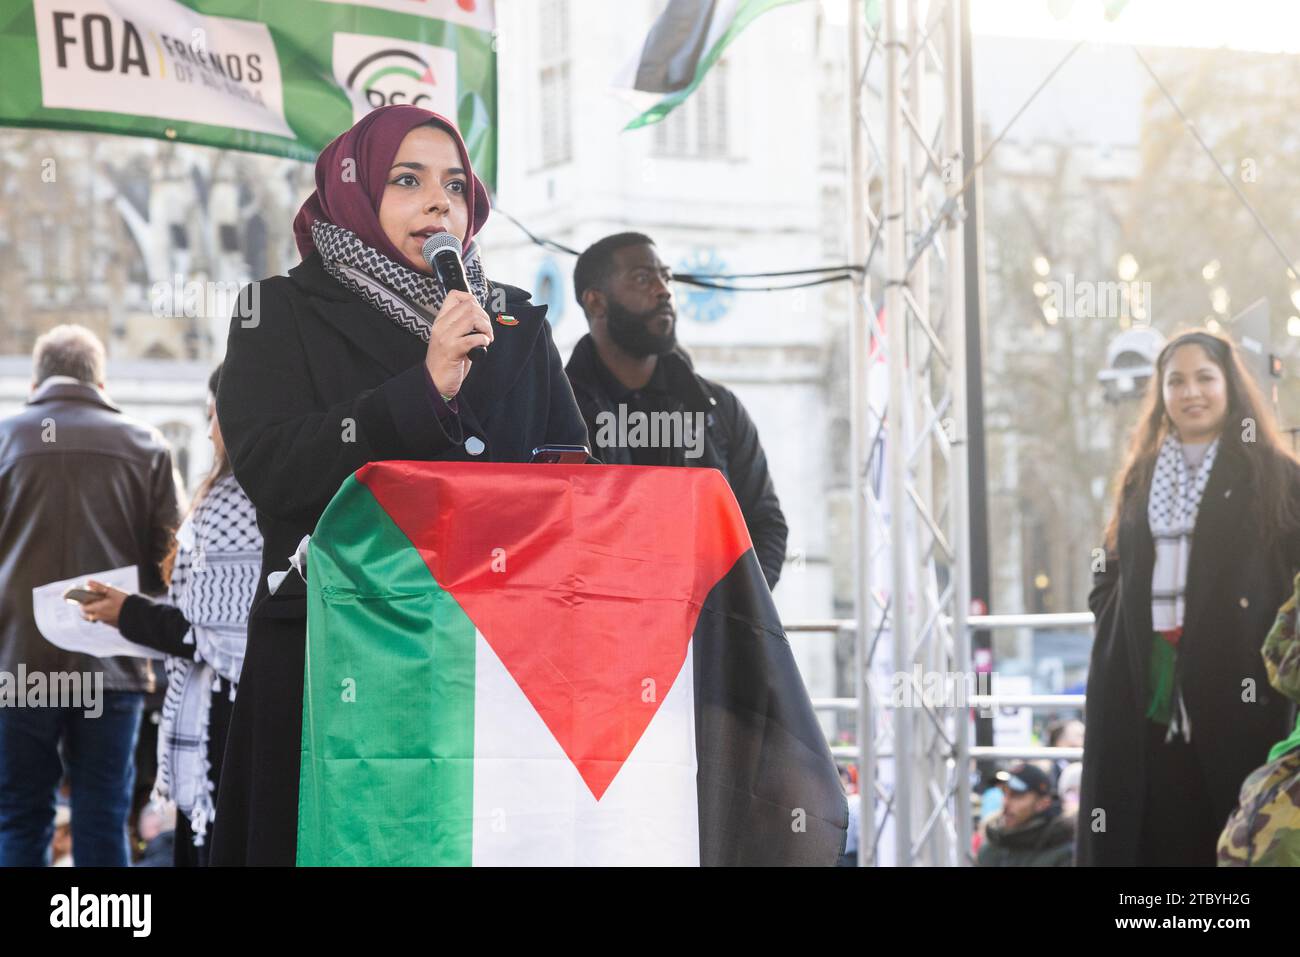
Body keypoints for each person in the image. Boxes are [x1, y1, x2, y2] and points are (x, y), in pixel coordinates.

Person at [210, 104, 588, 866]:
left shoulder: (513, 322)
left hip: (484, 665)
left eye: (455, 184)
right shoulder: (277, 313)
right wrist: (422, 390)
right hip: (334, 653)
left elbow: (568, 475)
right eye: (406, 180)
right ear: (354, 192)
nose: (438, 202)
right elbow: (275, 467)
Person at [1078, 330, 1300, 866]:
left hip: (1241, 689)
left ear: (1230, 386)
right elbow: (1108, 563)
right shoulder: (1141, 474)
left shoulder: (1274, 474)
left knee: (1231, 825)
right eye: (1175, 381)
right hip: (1141, 686)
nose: (1190, 392)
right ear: (1161, 392)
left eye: (1205, 377)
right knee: (1152, 828)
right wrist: (1110, 616)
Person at [0, 325, 179, 866]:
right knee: (104, 813)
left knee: (19, 814)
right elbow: (168, 565)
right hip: (112, 666)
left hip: (18, 668)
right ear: (99, 379)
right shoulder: (147, 445)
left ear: (38, 379)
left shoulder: (7, 440)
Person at [78, 364, 261, 865]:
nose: (207, 430)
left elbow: (218, 636)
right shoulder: (253, 496)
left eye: (212, 414)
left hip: (225, 721)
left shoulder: (238, 503)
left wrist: (128, 613)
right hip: (230, 717)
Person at [564, 232, 788, 589]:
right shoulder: (558, 413)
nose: (664, 290)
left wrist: (735, 613)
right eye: (642, 278)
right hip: (600, 634)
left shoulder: (718, 408)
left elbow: (764, 523)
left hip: (704, 636)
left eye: (665, 276)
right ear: (596, 303)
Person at [976, 762, 1075, 867]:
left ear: (1043, 803)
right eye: (1004, 792)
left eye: (1016, 795)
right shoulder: (991, 847)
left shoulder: (1064, 852)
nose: (1005, 802)